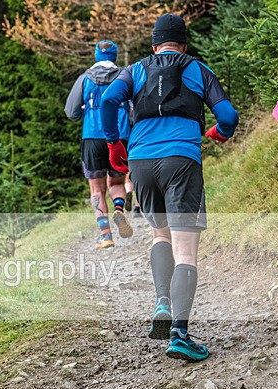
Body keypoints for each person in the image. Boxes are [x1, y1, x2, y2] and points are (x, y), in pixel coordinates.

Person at [101, 13, 239, 361]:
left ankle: (162, 302)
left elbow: (108, 102)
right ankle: (179, 333)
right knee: (186, 251)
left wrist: (115, 145)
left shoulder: (134, 70)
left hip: (141, 163)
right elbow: (229, 116)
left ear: (153, 44)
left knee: (159, 235)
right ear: (185, 45)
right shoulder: (197, 69)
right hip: (181, 162)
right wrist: (219, 134)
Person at [65, 39, 133, 249]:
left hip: (92, 136)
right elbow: (134, 108)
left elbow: (71, 112)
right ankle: (119, 210)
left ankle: (106, 235)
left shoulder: (84, 78)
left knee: (97, 190)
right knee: (117, 183)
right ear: (114, 55)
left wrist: (86, 109)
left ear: (96, 55)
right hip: (119, 136)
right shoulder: (125, 76)